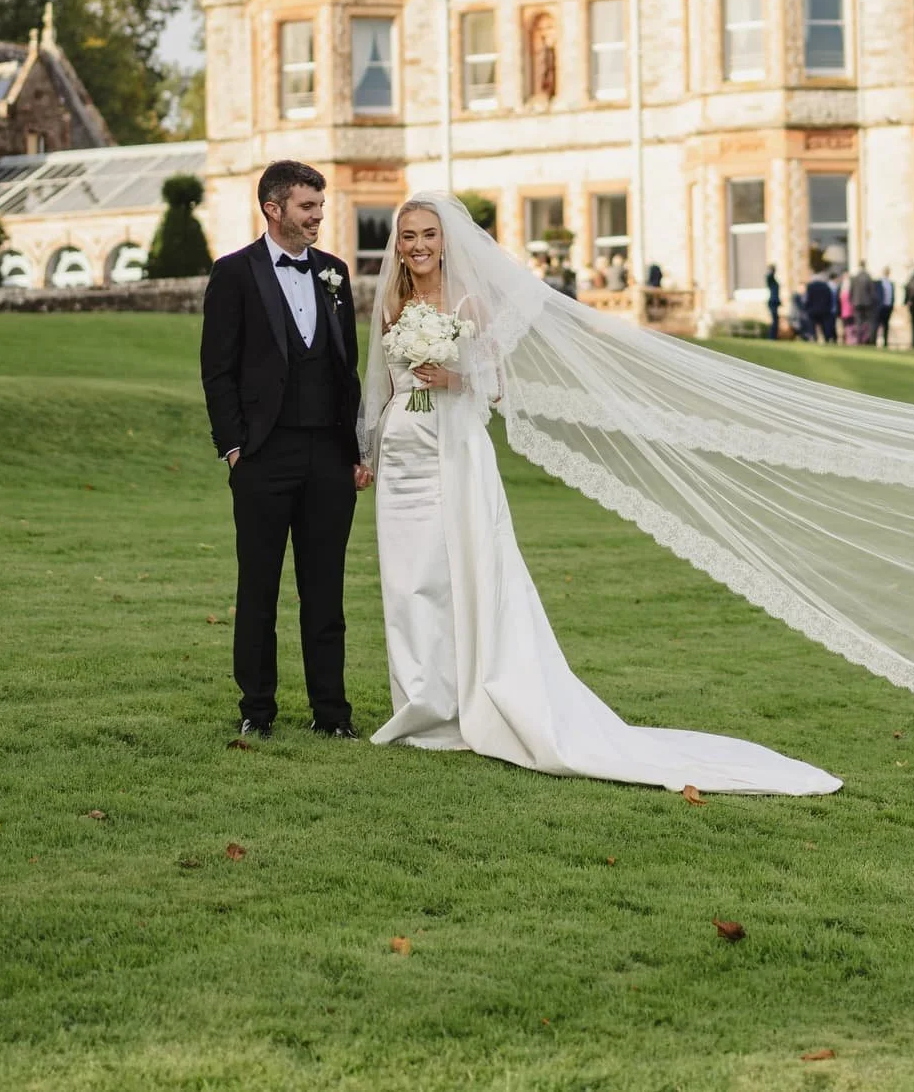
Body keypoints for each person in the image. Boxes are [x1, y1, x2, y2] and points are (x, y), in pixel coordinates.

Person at [357, 193, 839, 795]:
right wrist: (369, 447)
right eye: (408, 237)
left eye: (429, 234)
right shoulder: (393, 301)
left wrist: (452, 377)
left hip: (452, 450)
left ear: (446, 240)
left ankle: (462, 705)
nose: (418, 245)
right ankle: (419, 704)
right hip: (403, 450)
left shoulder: (468, 300)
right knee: (407, 582)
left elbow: (498, 386)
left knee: (459, 576)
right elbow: (379, 381)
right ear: (397, 244)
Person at [200, 160, 371, 741]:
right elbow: (217, 371)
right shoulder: (233, 274)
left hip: (328, 455)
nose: (318, 217)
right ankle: (258, 709)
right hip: (263, 458)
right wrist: (234, 449)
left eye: (320, 207)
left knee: (325, 590)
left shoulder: (335, 274)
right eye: (307, 207)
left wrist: (355, 448)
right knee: (259, 589)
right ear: (273, 209)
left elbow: (346, 369)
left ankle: (333, 715)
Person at [803, 269, 838, 344]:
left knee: (812, 325)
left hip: (813, 310)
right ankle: (827, 338)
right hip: (824, 310)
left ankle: (814, 337)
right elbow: (829, 298)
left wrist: (806, 307)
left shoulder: (810, 286)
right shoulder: (825, 286)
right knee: (825, 325)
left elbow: (807, 298)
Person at [875, 267, 896, 347]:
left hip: (888, 306)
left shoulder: (891, 284)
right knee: (877, 324)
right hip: (880, 307)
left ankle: (885, 342)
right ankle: (875, 341)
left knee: (886, 325)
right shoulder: (878, 283)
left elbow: (892, 296)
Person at [764, 263, 782, 341]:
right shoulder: (770, 279)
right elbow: (768, 277)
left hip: (775, 302)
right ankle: (771, 337)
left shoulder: (774, 279)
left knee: (776, 321)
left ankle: (774, 337)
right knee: (774, 321)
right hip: (772, 302)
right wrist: (770, 271)